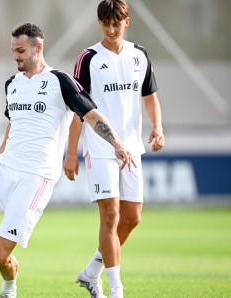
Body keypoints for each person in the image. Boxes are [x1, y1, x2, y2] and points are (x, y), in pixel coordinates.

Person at [0, 22, 135, 298]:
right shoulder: (12, 84)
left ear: (38, 47)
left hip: (36, 178)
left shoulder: (61, 81)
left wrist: (116, 142)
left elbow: (91, 115)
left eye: (21, 50)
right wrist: (1, 151)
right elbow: (14, 123)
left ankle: (9, 286)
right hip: (3, 169)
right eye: (13, 51)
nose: (16, 56)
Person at [64, 1, 165, 298]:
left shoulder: (139, 55)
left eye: (116, 23)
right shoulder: (88, 58)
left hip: (132, 149)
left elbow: (150, 97)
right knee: (110, 217)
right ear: (99, 22)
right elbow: (77, 110)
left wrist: (157, 127)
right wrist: (71, 152)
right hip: (99, 148)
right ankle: (115, 290)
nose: (111, 29)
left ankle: (91, 271)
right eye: (105, 23)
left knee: (132, 218)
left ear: (127, 22)